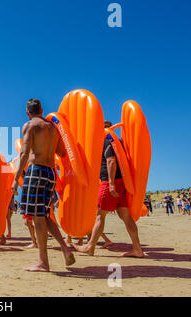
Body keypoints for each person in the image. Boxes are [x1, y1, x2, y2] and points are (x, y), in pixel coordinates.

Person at [12, 98, 75, 272]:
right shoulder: (53, 128)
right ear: (41, 109)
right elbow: (61, 152)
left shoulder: (30, 126)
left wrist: (15, 178)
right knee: (45, 214)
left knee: (37, 218)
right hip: (51, 173)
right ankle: (65, 248)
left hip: (36, 171)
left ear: (28, 113)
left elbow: (24, 153)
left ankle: (43, 262)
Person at [74, 121, 145, 258]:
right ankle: (137, 249)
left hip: (110, 181)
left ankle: (90, 247)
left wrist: (111, 183)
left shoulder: (106, 140)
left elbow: (111, 161)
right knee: (125, 216)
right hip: (122, 181)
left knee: (100, 214)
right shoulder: (117, 142)